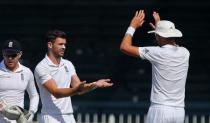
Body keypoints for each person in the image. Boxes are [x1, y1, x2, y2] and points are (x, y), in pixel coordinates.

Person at [120, 10, 190, 123]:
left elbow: (124, 47)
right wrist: (160, 30)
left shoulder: (157, 53)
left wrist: (132, 26)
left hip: (160, 109)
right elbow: (168, 44)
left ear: (160, 36)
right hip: (179, 111)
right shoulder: (185, 53)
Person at [34, 30, 113, 123]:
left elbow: (79, 87)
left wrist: (95, 84)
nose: (64, 47)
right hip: (51, 117)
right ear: (50, 45)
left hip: (69, 116)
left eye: (64, 44)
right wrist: (76, 89)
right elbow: (56, 92)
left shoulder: (68, 64)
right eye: (60, 44)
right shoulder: (41, 67)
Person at [0, 40, 39, 123]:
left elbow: (34, 95)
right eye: (7, 55)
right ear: (3, 54)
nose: (10, 58)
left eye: (13, 55)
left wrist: (31, 113)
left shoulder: (27, 72)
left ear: (20, 54)